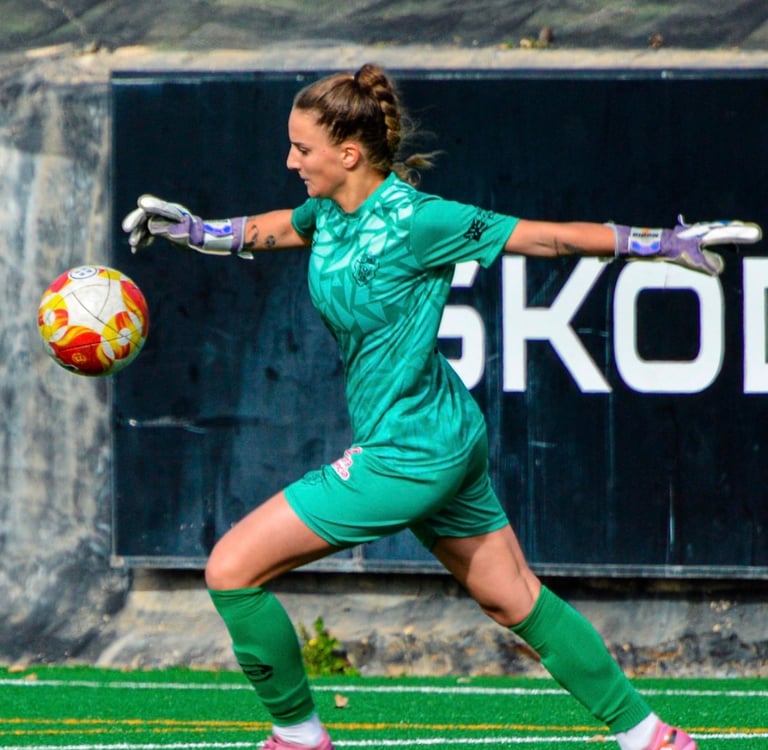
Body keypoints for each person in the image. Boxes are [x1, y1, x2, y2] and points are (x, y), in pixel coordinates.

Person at [122, 62, 761, 750]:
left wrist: (661, 244)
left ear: (349, 154)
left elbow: (545, 237)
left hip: (410, 455)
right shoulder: (327, 213)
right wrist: (193, 230)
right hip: (443, 434)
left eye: (302, 148)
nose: (290, 161)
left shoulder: (420, 221)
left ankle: (298, 736)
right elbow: (271, 228)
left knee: (230, 569)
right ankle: (650, 735)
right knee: (514, 598)